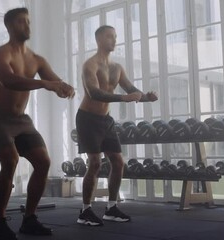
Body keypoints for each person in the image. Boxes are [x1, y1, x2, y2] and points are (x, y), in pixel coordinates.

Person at [0, 7, 75, 240]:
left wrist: (64, 87)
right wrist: (45, 84)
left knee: (44, 162)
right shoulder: (0, 55)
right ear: (10, 26)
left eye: (28, 22)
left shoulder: (37, 59)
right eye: (22, 22)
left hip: (21, 120)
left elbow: (54, 80)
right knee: (10, 162)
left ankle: (29, 219)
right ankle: (0, 222)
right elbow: (8, 80)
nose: (27, 26)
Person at [76, 25, 158, 226]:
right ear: (98, 40)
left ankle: (111, 208)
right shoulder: (90, 65)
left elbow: (131, 89)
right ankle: (85, 211)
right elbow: (94, 93)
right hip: (87, 118)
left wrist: (147, 97)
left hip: (106, 120)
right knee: (94, 163)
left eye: (115, 36)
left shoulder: (117, 68)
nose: (113, 40)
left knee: (118, 163)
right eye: (109, 36)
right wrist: (124, 98)